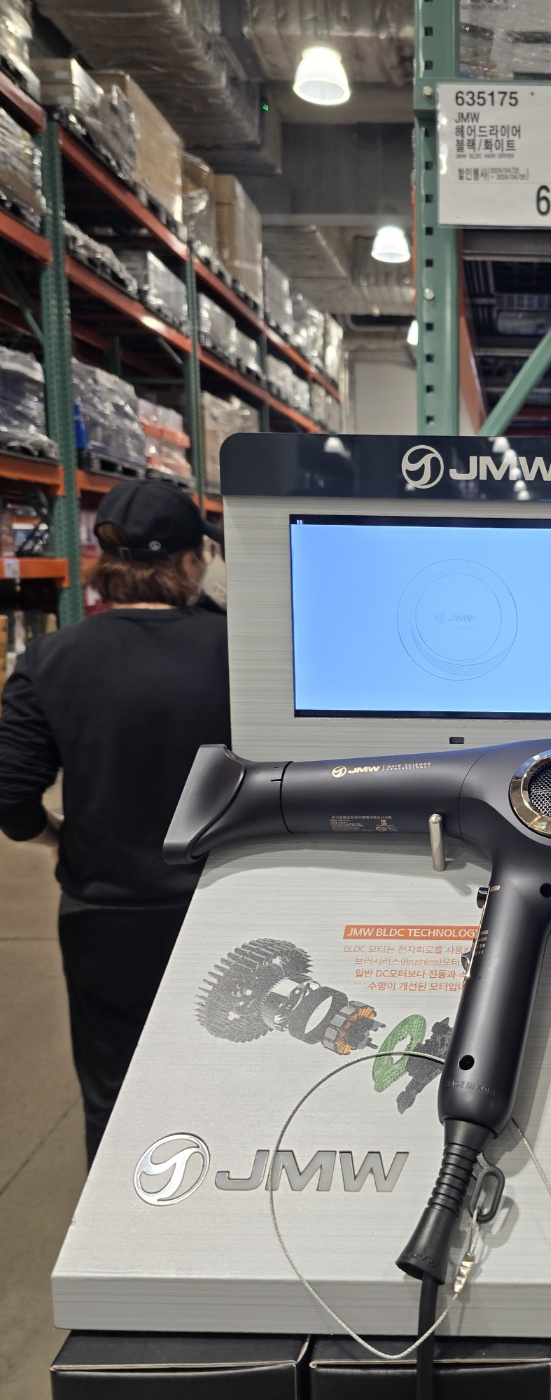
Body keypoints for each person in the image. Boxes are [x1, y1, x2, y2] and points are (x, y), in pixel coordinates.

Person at [0, 481, 231, 1163]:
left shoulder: (50, 659)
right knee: (233, 1076)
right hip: (226, 902)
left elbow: (9, 796)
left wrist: (55, 838)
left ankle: (124, 1216)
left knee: (116, 1090)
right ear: (191, 560)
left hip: (107, 912)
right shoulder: (240, 653)